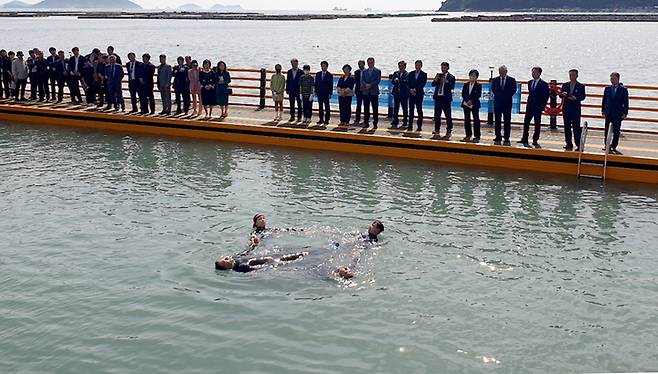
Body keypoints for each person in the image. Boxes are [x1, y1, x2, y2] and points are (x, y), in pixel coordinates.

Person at [518, 67, 550, 148]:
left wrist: (542, 106)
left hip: (538, 107)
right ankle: (524, 138)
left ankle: (535, 139)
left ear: (539, 73)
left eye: (535, 72)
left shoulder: (544, 84)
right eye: (532, 72)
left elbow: (546, 96)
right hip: (530, 106)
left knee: (537, 123)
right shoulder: (530, 82)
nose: (533, 74)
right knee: (526, 123)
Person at [601, 72, 629, 155]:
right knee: (607, 129)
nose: (612, 80)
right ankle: (606, 144)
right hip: (608, 112)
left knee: (616, 130)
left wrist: (625, 112)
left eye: (613, 78)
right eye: (611, 78)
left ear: (618, 79)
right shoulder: (607, 89)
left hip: (618, 113)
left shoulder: (623, 90)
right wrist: (603, 110)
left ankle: (613, 146)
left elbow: (626, 102)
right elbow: (604, 100)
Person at [560, 69, 587, 151]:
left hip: (575, 109)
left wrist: (576, 98)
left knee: (576, 127)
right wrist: (563, 94)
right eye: (570, 75)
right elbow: (560, 95)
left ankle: (578, 144)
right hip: (566, 108)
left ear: (577, 76)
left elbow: (583, 96)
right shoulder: (565, 85)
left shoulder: (581, 86)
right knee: (567, 126)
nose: (571, 76)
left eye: (573, 75)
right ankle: (568, 143)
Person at [491, 65, 517, 146]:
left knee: (507, 121)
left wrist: (506, 96)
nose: (500, 73)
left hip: (507, 103)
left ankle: (506, 137)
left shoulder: (512, 80)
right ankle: (498, 136)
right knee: (497, 120)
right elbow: (493, 89)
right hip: (498, 103)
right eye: (499, 72)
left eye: (502, 71)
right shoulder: (495, 80)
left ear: (506, 72)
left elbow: (513, 90)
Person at [431, 62, 456, 140]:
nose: (443, 69)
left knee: (448, 115)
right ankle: (437, 130)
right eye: (442, 67)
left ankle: (449, 130)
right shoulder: (439, 75)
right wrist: (435, 79)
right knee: (437, 115)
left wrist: (447, 81)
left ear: (448, 68)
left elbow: (452, 87)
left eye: (444, 67)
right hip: (438, 98)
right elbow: (433, 84)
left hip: (446, 99)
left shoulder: (451, 77)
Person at [461, 69, 482, 143]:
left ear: (476, 77)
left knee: (476, 119)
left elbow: (478, 95)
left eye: (474, 76)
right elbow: (463, 94)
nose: (472, 77)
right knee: (467, 119)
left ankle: (477, 135)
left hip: (475, 104)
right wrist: (467, 100)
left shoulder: (478, 85)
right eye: (471, 76)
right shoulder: (466, 84)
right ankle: (468, 134)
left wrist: (472, 101)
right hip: (466, 104)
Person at [361, 57, 381, 130]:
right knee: (366, 108)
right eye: (368, 63)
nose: (370, 64)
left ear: (374, 62)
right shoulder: (364, 71)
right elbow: (362, 80)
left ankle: (375, 123)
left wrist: (371, 85)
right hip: (366, 92)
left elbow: (378, 80)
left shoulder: (377, 71)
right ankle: (366, 122)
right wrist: (365, 84)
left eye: (371, 62)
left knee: (375, 108)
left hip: (374, 92)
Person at [408, 60, 427, 132]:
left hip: (419, 94)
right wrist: (410, 90)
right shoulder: (411, 73)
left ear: (421, 66)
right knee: (411, 110)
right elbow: (408, 83)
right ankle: (410, 125)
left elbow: (422, 84)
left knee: (419, 110)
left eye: (419, 65)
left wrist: (415, 90)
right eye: (416, 65)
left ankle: (419, 126)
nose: (417, 66)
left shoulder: (424, 74)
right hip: (411, 94)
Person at [390, 60, 410, 130]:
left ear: (405, 66)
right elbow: (392, 81)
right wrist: (395, 80)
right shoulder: (396, 73)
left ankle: (405, 121)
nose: (400, 67)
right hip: (396, 92)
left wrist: (399, 81)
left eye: (402, 66)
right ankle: (395, 120)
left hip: (404, 93)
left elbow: (407, 82)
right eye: (399, 66)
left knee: (404, 107)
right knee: (396, 107)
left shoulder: (407, 74)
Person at [314, 60, 333, 125]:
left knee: (327, 107)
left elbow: (331, 85)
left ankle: (327, 119)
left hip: (326, 93)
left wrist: (330, 93)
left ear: (327, 67)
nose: (323, 67)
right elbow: (316, 83)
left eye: (324, 66)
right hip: (319, 92)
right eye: (322, 66)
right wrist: (315, 91)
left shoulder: (329, 75)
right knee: (320, 106)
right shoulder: (318, 74)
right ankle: (321, 119)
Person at [353, 60, 366, 126]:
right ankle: (357, 118)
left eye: (361, 64)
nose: (360, 65)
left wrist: (363, 86)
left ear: (364, 64)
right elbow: (355, 81)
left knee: (366, 105)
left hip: (366, 90)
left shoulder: (367, 71)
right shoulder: (356, 72)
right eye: (359, 64)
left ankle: (366, 118)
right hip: (358, 90)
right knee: (358, 105)